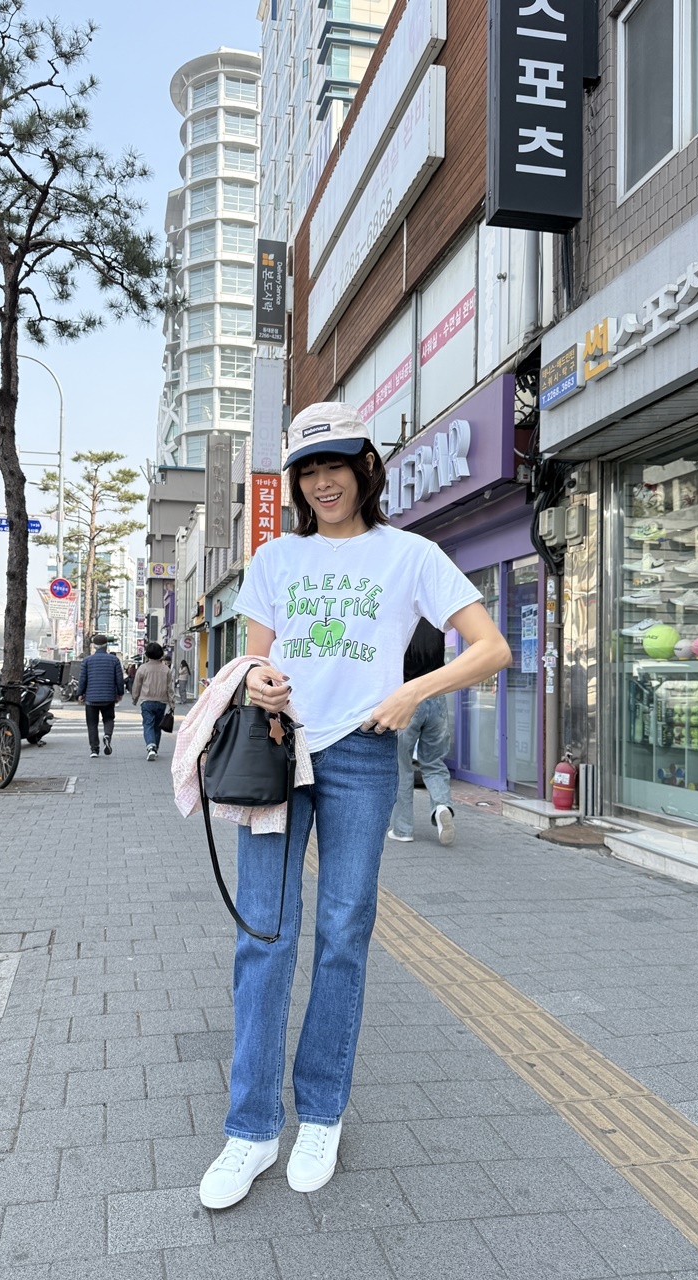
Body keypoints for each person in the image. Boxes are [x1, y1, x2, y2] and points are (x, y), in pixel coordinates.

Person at [196, 401, 511, 1210]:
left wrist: (414, 691)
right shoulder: (275, 557)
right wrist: (260, 679)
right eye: (307, 469)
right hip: (278, 749)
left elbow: (491, 647)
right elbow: (255, 660)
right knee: (263, 933)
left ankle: (322, 1115)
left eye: (334, 464)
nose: (321, 482)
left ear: (366, 467)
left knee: (343, 934)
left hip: (365, 753)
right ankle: (251, 1128)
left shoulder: (412, 555)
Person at [387, 616, 456, 846]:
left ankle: (402, 829)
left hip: (407, 697)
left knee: (402, 766)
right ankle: (442, 806)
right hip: (437, 699)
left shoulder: (401, 622)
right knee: (434, 762)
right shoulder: (436, 623)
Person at [76, 633, 124, 759]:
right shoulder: (114, 660)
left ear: (94, 646)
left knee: (92, 723)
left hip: (91, 698)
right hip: (108, 697)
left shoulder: (87, 660)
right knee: (109, 719)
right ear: (106, 646)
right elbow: (119, 679)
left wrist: (80, 693)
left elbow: (83, 679)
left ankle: (94, 749)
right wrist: (120, 693)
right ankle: (107, 735)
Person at [132, 641, 175, 762]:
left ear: (147, 654)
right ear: (161, 654)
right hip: (161, 702)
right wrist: (172, 703)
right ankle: (155, 748)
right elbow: (170, 688)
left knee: (148, 724)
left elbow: (137, 685)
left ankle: (151, 746)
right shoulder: (166, 669)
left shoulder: (143, 668)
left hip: (146, 700)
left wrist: (135, 698)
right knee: (157, 726)